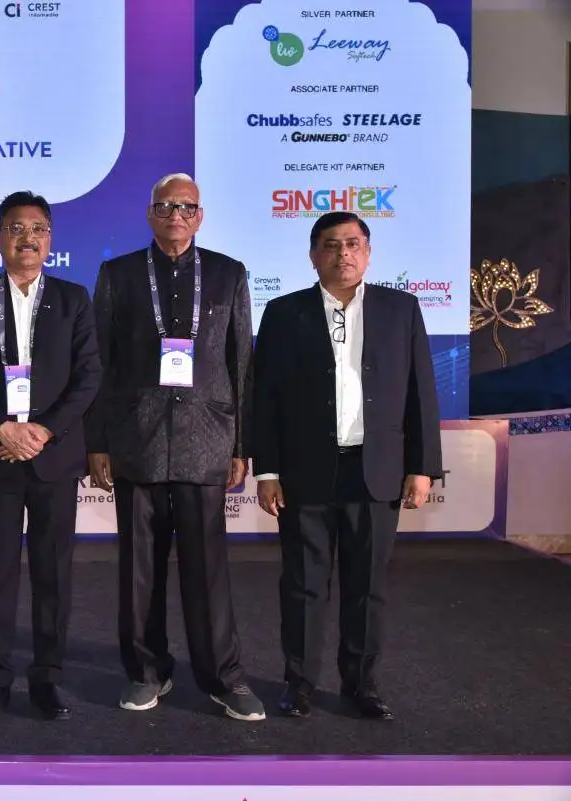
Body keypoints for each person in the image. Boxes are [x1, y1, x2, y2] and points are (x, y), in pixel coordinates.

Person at [85, 173, 265, 722]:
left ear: (200, 216)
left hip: (207, 438)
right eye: (165, 206)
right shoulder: (118, 275)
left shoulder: (228, 273)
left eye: (186, 207)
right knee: (139, 568)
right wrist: (98, 440)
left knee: (207, 569)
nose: (176, 216)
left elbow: (241, 363)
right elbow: (100, 363)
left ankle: (223, 678)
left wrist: (242, 444)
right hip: (136, 437)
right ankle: (146, 671)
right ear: (150, 214)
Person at [252, 210, 443, 721]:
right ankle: (299, 683)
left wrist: (422, 466)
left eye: (354, 243)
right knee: (303, 585)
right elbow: (265, 398)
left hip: (376, 471)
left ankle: (362, 685)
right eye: (332, 245)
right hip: (304, 472)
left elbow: (420, 392)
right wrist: (267, 471)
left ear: (369, 252)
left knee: (367, 587)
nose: (344, 254)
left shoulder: (401, 309)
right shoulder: (284, 312)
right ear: (313, 255)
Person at [0, 191, 101, 721]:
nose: (27, 238)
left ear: (50, 239)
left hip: (53, 455)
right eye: (16, 228)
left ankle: (47, 678)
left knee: (53, 572)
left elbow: (89, 376)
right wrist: (2, 427)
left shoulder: (73, 298)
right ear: (0, 238)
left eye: (37, 229)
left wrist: (42, 430)